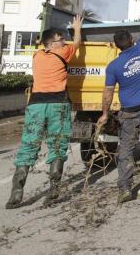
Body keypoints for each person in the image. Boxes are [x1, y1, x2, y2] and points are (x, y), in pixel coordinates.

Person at [6, 15, 83, 209]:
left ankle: (16, 193)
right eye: (60, 39)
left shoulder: (36, 55)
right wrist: (76, 27)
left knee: (29, 144)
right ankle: (54, 189)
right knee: (57, 144)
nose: (63, 41)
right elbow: (78, 42)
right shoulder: (64, 52)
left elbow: (44, 45)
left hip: (36, 105)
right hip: (58, 104)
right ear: (52, 43)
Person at [99, 4, 140, 205]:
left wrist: (105, 114)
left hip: (127, 113)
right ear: (132, 40)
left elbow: (108, 92)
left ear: (116, 45)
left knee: (125, 150)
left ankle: (124, 189)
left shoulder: (113, 66)